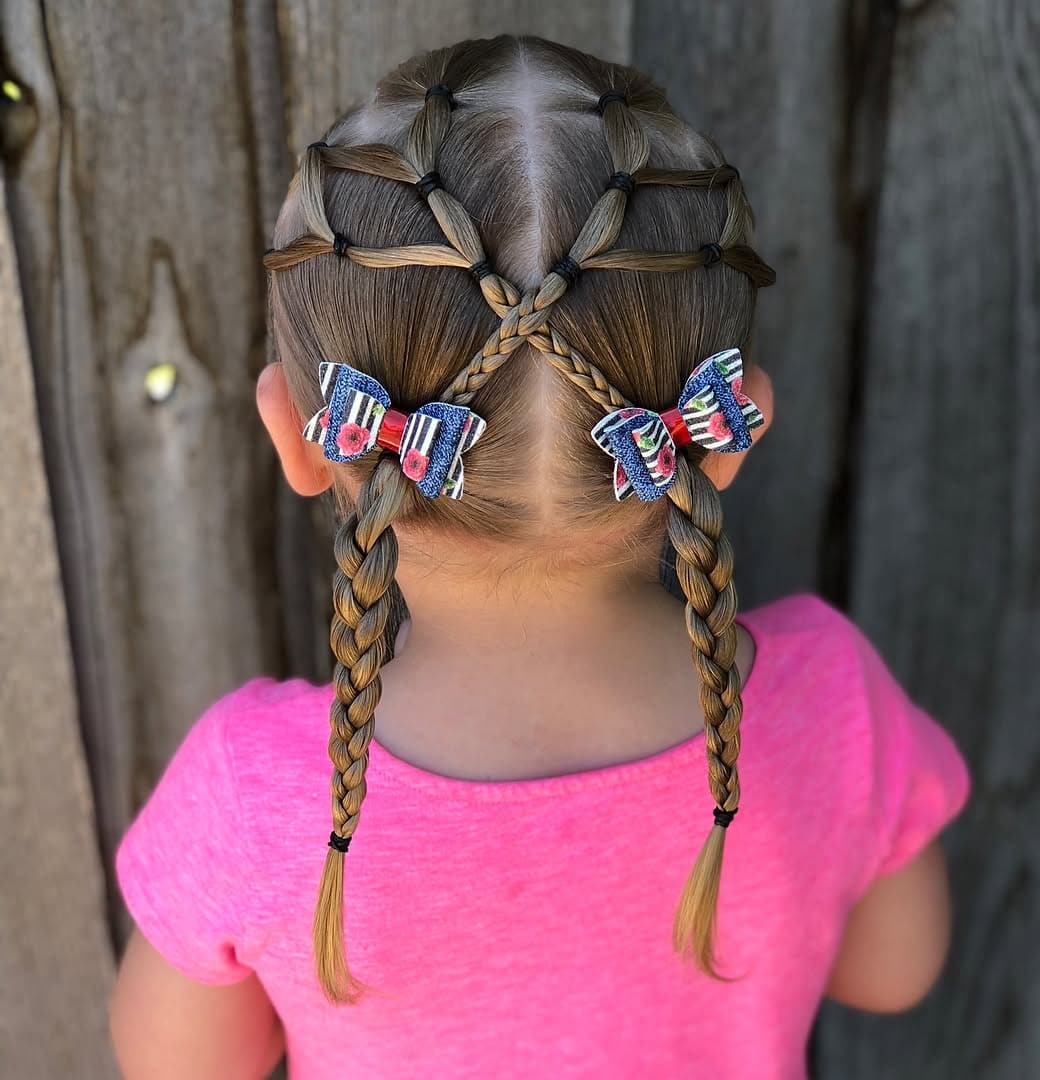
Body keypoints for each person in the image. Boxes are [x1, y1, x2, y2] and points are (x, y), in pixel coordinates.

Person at [109, 35, 970, 1079]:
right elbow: (897, 972)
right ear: (726, 431)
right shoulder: (832, 701)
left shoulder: (252, 796)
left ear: (298, 435)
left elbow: (178, 1065)